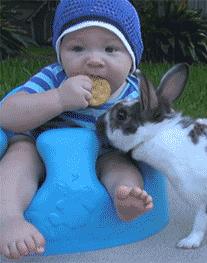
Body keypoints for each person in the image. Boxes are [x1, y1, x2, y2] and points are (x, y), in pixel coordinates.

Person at [0, 0, 153, 259]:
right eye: (78, 47)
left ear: (132, 59)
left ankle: (125, 199)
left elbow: (154, 129)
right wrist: (58, 99)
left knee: (122, 167)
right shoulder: (54, 78)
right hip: (40, 147)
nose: (93, 60)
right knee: (19, 155)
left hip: (107, 152)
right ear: (60, 53)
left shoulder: (134, 92)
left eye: (110, 48)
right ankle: (8, 218)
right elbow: (7, 113)